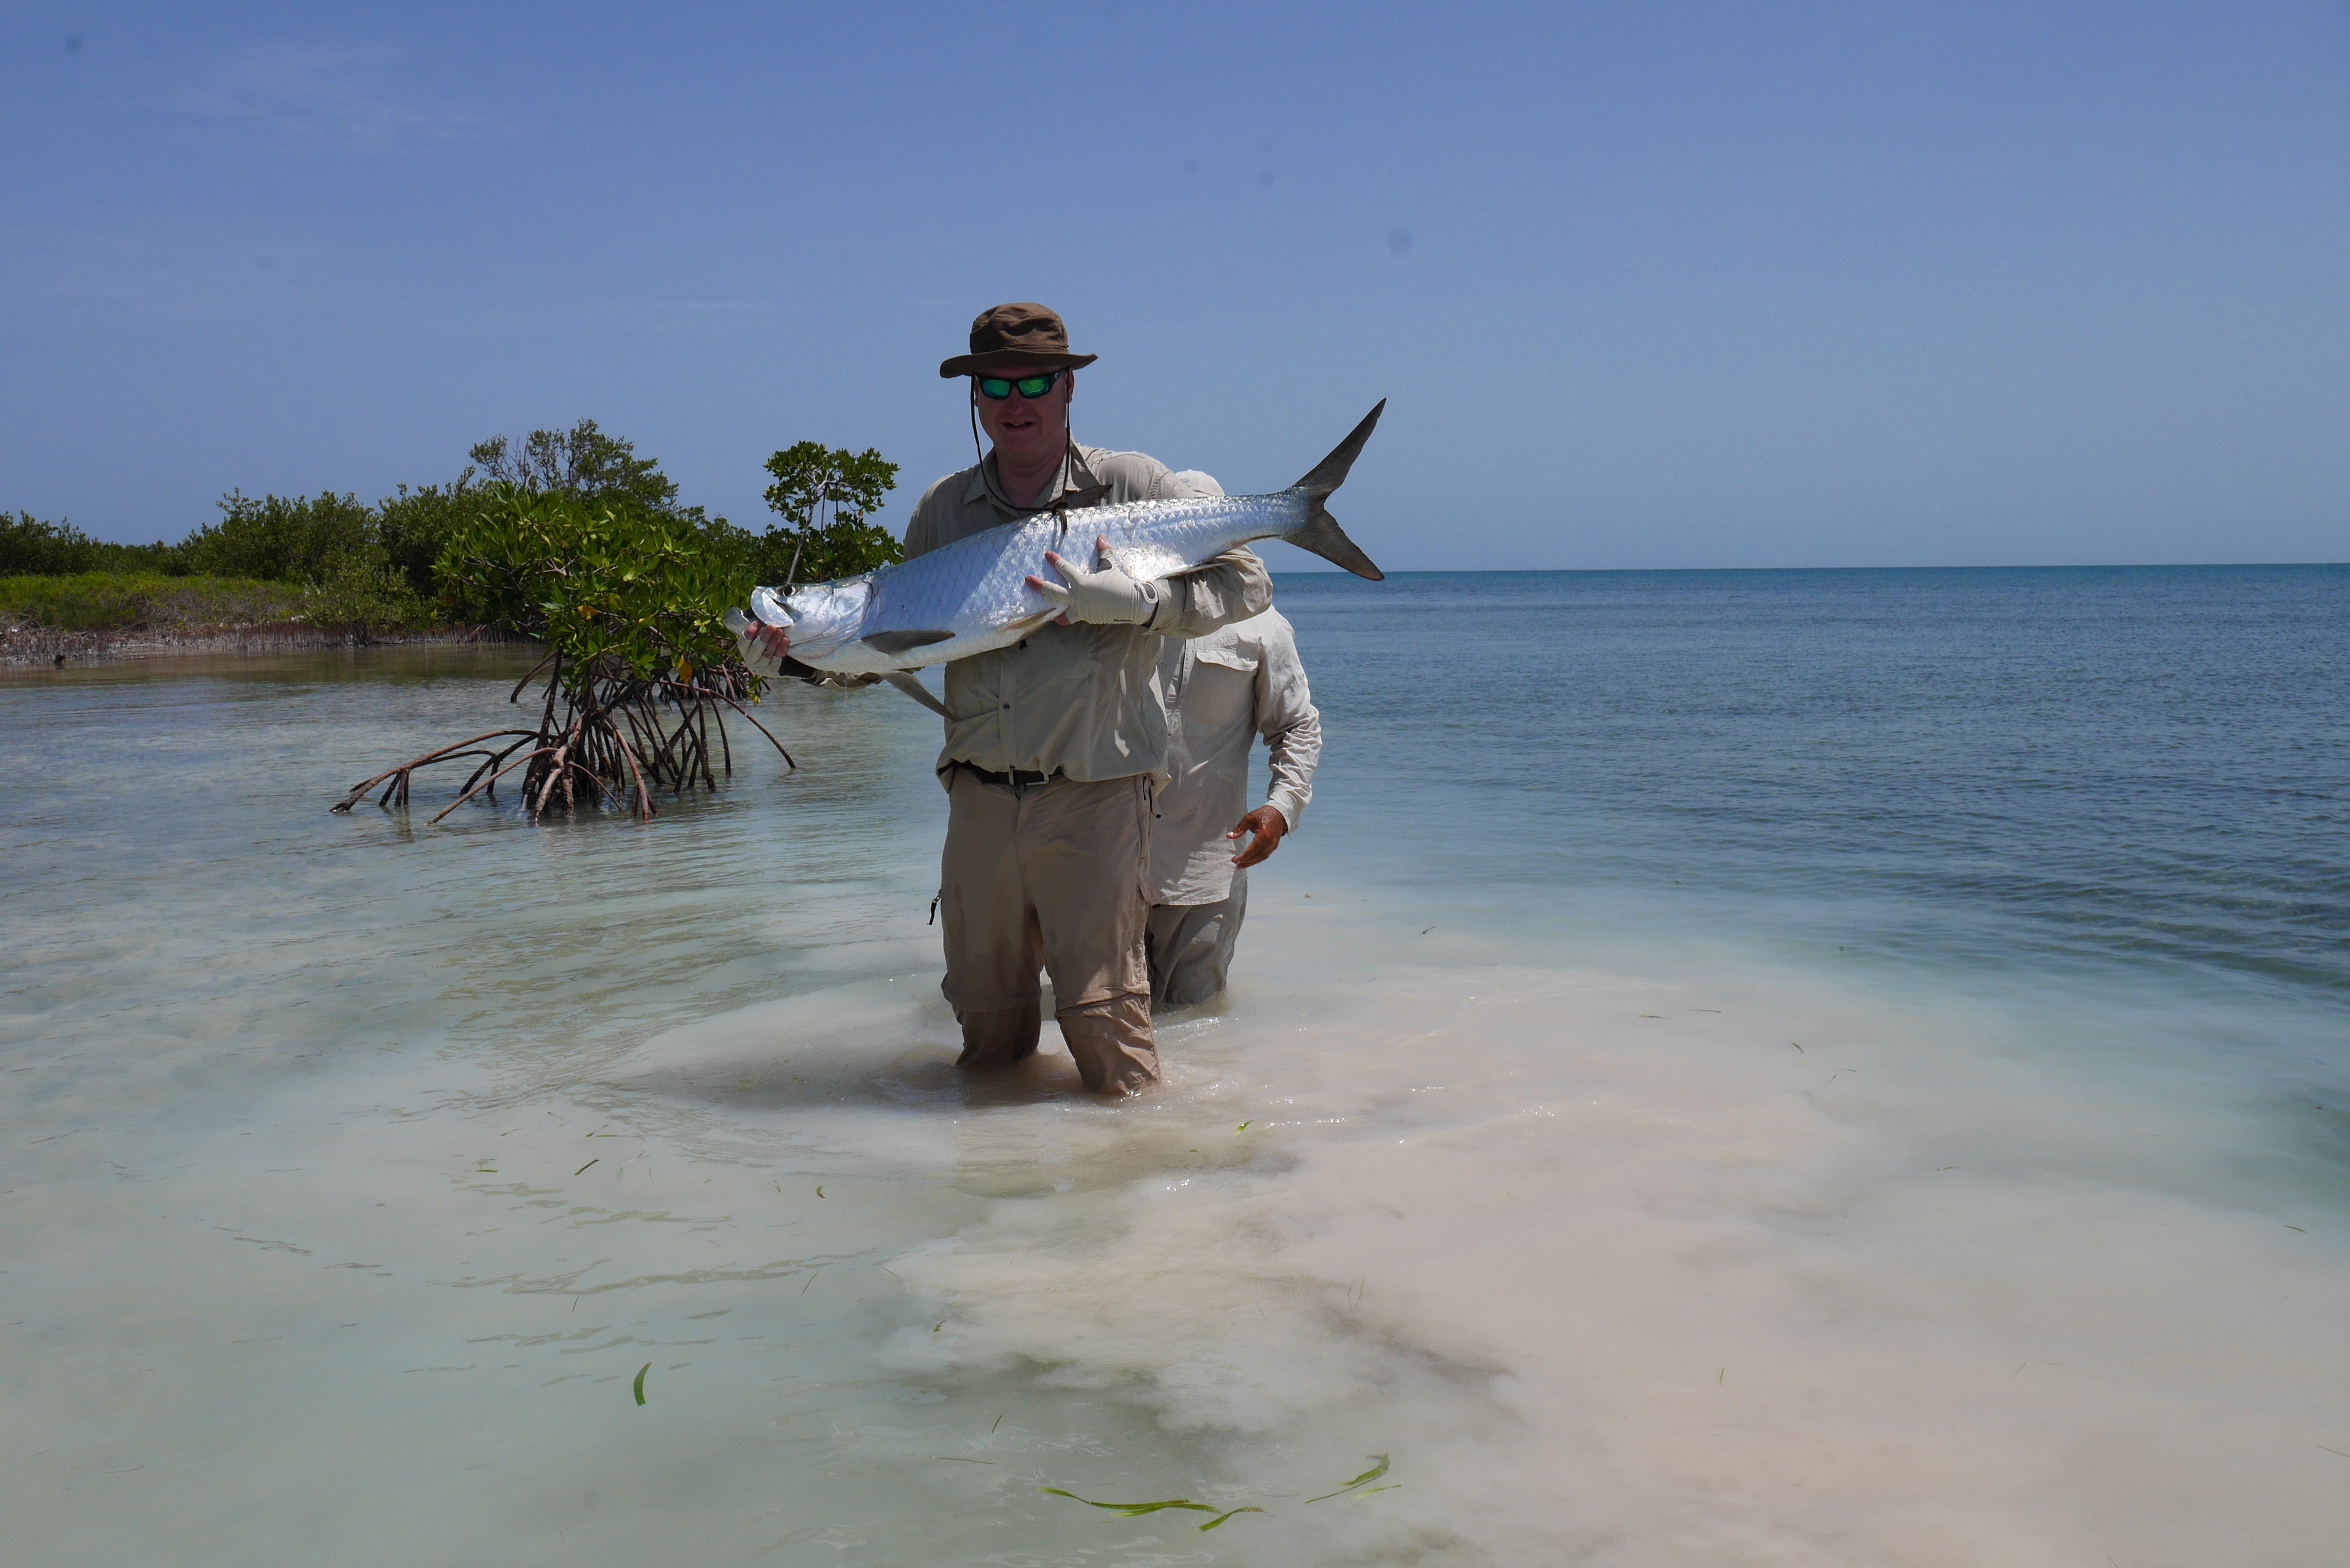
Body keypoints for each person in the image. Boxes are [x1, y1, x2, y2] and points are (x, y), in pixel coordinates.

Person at [896, 302, 1271, 1094]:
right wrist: (802, 661)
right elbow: (892, 643)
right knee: (987, 1027)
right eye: (994, 384)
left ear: (1069, 387)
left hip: (1096, 798)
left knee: (1110, 1035)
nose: (1015, 400)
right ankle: (999, 1200)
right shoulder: (940, 512)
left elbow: (1247, 582)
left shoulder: (1131, 485)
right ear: (974, 398)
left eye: (1036, 380)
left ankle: (1146, 1195)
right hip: (979, 805)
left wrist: (1142, 607)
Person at [1145, 547, 1321, 1007]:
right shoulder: (1125, 613)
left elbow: (1297, 726)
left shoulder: (1263, 624)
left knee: (1196, 1024)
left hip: (1209, 866)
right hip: (1109, 861)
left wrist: (1281, 809)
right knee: (1104, 1020)